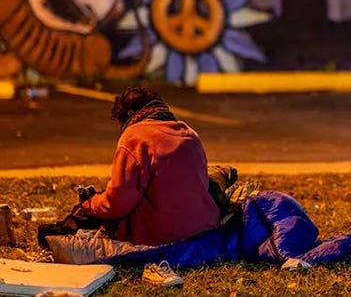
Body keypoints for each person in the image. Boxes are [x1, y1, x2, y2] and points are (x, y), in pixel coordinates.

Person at [40, 88, 219, 257]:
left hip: (163, 235)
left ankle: (56, 232)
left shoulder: (135, 136)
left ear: (128, 115)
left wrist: (89, 205)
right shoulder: (190, 133)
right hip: (202, 228)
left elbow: (117, 202)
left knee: (95, 213)